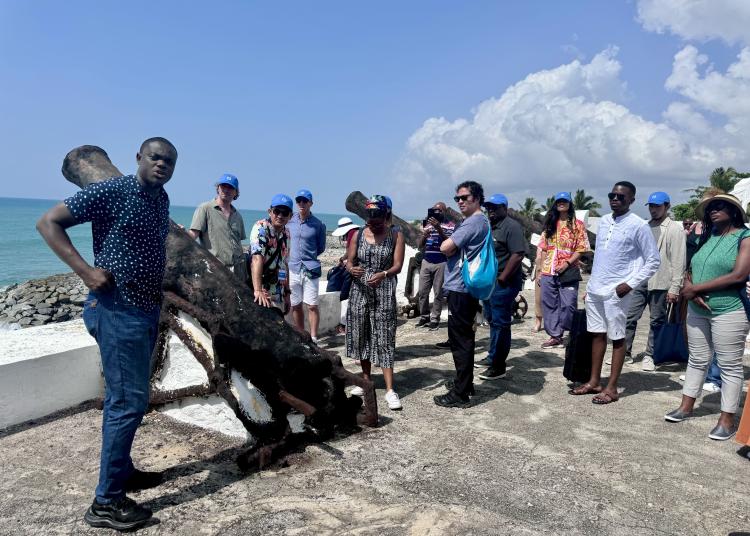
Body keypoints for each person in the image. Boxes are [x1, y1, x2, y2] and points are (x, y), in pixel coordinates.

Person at [36, 137, 177, 530]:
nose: (161, 164)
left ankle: (122, 471)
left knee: (127, 399)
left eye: (168, 161)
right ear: (138, 158)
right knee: (128, 402)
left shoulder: (160, 199)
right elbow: (48, 222)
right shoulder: (111, 190)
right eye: (154, 157)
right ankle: (105, 502)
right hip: (117, 310)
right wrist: (86, 272)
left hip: (145, 311)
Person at [665, 193, 750, 440]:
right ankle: (686, 406)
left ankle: (727, 419)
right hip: (697, 308)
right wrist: (690, 287)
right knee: (697, 358)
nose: (714, 210)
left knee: (729, 365)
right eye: (711, 207)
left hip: (728, 308)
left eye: (720, 206)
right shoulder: (708, 237)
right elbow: (692, 269)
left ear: (734, 211)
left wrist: (697, 289)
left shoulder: (745, 237)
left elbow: (738, 275)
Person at [569, 181, 660, 404]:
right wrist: (590, 286)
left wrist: (630, 284)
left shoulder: (639, 225)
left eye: (621, 197)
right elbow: (600, 256)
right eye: (612, 195)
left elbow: (653, 261)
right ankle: (594, 381)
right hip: (596, 289)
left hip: (618, 291)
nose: (615, 199)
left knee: (618, 337)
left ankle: (612, 388)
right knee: (597, 334)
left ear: (632, 200)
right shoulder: (604, 221)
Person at [433, 180, 490, 408]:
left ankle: (461, 392)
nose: (459, 202)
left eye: (464, 198)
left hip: (461, 287)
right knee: (465, 337)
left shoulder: (472, 222)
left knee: (461, 341)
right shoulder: (480, 221)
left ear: (476, 198)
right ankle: (464, 383)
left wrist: (450, 244)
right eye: (457, 198)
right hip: (466, 287)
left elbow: (445, 248)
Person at [346, 195, 405, 410]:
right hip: (359, 291)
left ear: (387, 214)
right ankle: (366, 380)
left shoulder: (396, 235)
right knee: (362, 335)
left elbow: (398, 265)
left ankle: (390, 389)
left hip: (384, 289)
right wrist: (351, 268)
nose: (373, 220)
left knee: (384, 336)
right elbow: (349, 260)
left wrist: (384, 274)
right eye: (370, 215)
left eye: (378, 215)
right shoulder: (358, 234)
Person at [622, 192, 686, 370]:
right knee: (629, 316)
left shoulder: (674, 229)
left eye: (657, 206)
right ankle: (624, 352)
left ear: (667, 207)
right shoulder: (644, 226)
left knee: (657, 320)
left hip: (661, 280)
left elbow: (679, 260)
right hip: (639, 280)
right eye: (651, 206)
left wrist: (675, 287)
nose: (653, 210)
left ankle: (650, 354)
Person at [474, 194, 527, 380]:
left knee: (501, 324)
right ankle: (492, 356)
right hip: (490, 283)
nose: (491, 211)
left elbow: (518, 254)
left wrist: (503, 279)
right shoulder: (491, 226)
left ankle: (498, 366)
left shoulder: (511, 227)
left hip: (503, 283)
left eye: (495, 208)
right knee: (492, 320)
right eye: (488, 207)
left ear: (504, 208)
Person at [533, 192, 589, 349]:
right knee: (549, 304)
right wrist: (540, 271)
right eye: (559, 201)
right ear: (555, 204)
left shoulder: (577, 224)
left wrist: (567, 262)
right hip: (548, 271)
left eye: (565, 201)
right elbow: (543, 248)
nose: (561, 203)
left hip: (568, 270)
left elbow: (582, 248)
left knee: (568, 304)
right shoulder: (550, 224)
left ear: (570, 204)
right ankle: (555, 336)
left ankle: (570, 333)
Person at [188, 174, 247, 281]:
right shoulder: (205, 208)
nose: (226, 190)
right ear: (218, 188)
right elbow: (193, 234)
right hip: (216, 270)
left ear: (236, 192)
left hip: (238, 271)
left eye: (230, 187)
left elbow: (238, 243)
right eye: (223, 186)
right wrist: (180, 233)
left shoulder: (237, 215)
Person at [287, 189, 326, 343]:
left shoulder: (318, 224)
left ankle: (314, 338)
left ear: (311, 203)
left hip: (311, 269)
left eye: (305, 201)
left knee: (312, 305)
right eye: (299, 201)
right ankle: (302, 336)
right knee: (295, 305)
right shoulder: (289, 221)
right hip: (293, 268)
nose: (301, 204)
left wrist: (309, 256)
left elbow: (321, 247)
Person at [250, 194, 293, 313]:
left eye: (285, 213)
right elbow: (256, 259)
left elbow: (284, 264)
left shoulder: (287, 234)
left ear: (290, 216)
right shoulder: (261, 228)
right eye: (277, 211)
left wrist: (287, 292)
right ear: (270, 212)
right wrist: (258, 290)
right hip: (261, 289)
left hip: (277, 291)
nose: (280, 215)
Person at [417, 202, 455, 329]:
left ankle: (435, 319)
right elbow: (420, 245)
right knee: (422, 291)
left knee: (438, 292)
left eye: (438, 210)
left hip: (441, 261)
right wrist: (424, 235)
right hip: (427, 260)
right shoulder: (427, 224)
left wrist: (439, 228)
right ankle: (424, 316)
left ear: (444, 212)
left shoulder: (450, 225)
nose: (436, 212)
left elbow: (449, 244)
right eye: (434, 210)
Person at [331, 217, 361, 334]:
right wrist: (342, 258)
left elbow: (350, 252)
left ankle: (344, 324)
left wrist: (343, 260)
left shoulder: (351, 234)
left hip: (354, 268)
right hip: (361, 267)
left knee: (344, 294)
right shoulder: (358, 231)